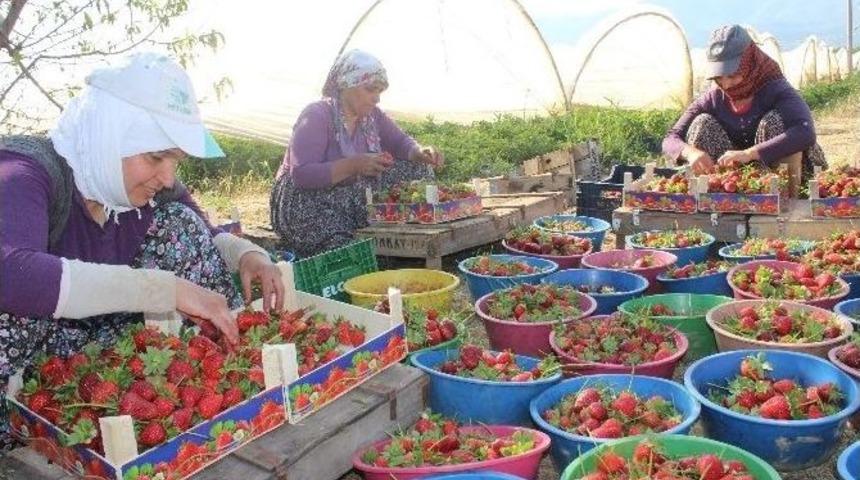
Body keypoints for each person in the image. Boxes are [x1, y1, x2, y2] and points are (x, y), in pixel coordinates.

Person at [0, 53, 285, 448]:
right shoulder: (23, 171)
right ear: (110, 136)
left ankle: (221, 388)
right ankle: (19, 435)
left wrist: (249, 255)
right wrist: (164, 289)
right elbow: (12, 274)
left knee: (178, 223)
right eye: (155, 157)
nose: (167, 177)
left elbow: (204, 231)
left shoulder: (141, 187)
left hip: (94, 370)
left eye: (175, 160)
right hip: (27, 376)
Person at [270, 49, 445, 258]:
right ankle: (338, 238)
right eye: (370, 89)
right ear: (347, 85)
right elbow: (302, 174)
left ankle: (397, 219)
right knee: (341, 244)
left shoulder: (372, 117)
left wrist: (419, 151)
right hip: (306, 200)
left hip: (347, 193)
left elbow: (400, 142)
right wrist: (354, 165)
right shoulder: (317, 114)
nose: (376, 98)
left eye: (380, 92)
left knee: (417, 167)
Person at [662, 24, 826, 180]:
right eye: (718, 77)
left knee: (774, 121)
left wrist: (749, 154)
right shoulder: (713, 98)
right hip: (733, 180)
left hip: (782, 176)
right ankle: (714, 192)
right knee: (702, 123)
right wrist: (691, 153)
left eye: (732, 75)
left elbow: (805, 132)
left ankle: (786, 195)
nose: (726, 84)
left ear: (749, 64)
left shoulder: (775, 89)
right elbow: (671, 138)